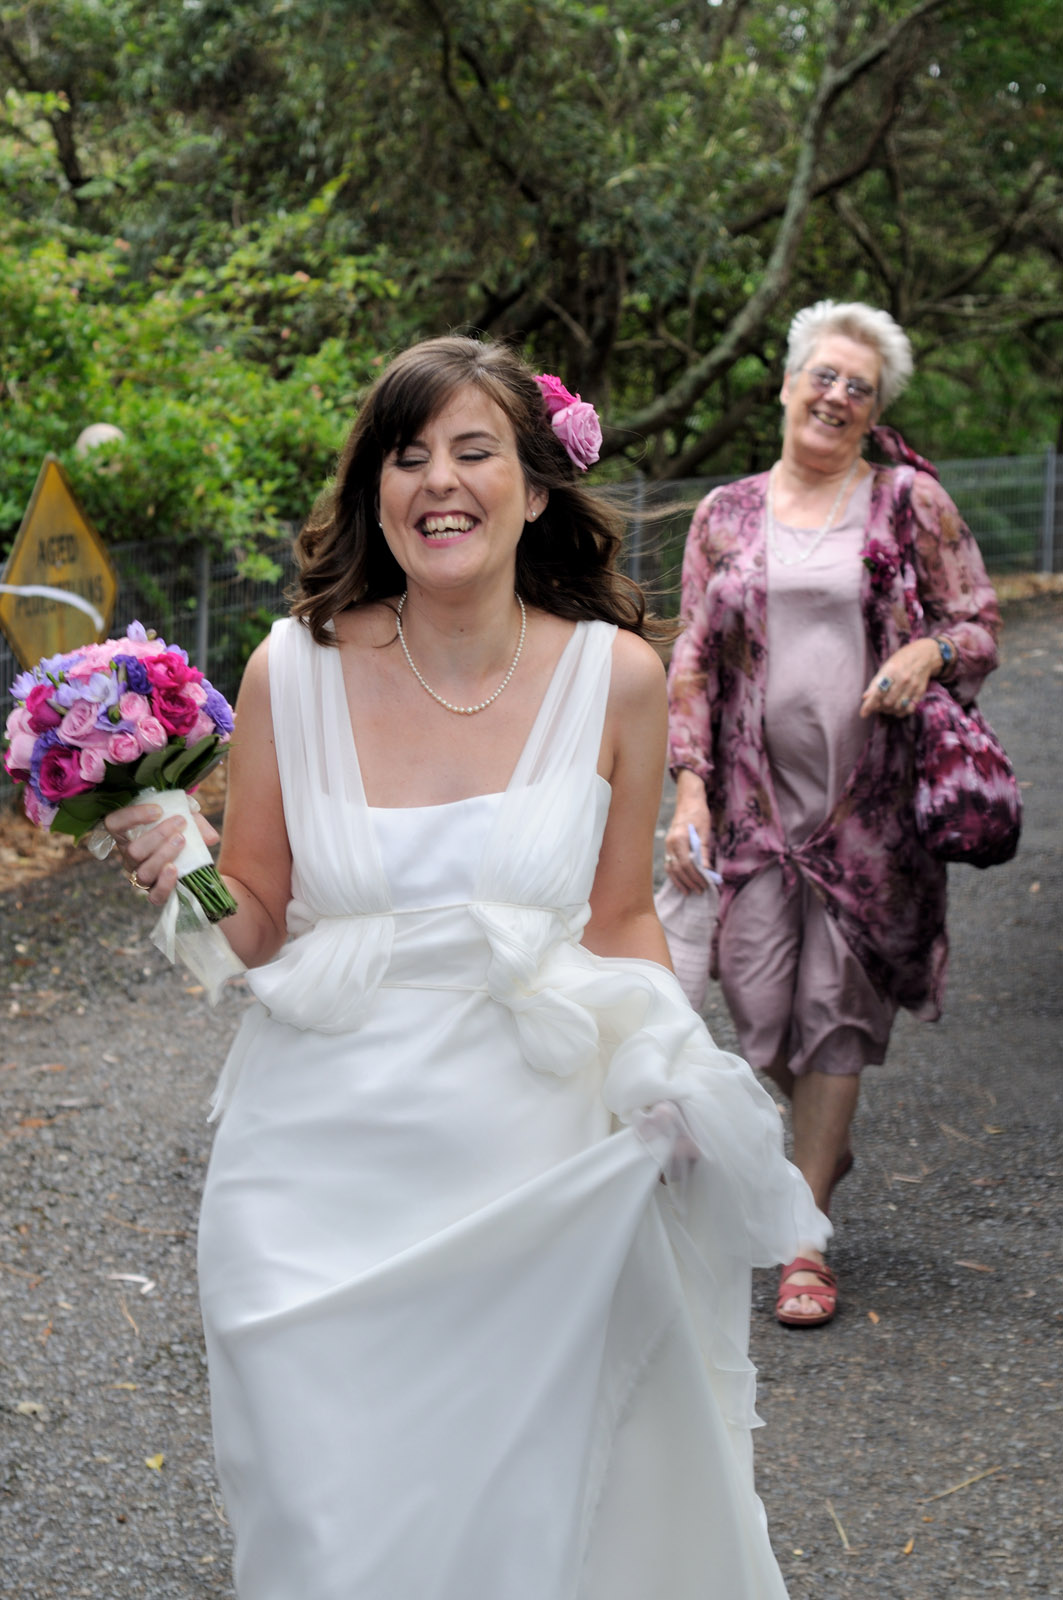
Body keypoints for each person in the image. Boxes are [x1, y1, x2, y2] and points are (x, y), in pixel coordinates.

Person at [104, 335, 826, 1600]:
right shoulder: (293, 667)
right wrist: (176, 855)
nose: (439, 479)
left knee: (520, 1521)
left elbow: (617, 920)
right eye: (406, 452)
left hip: (534, 1161)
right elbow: (254, 918)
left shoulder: (618, 678)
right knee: (329, 1527)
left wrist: (668, 1072)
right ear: (375, 492)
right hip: (312, 1174)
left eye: (473, 450)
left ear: (534, 486)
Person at [663, 301, 1000, 1329]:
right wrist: (687, 786)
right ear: (785, 382)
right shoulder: (724, 513)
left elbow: (977, 621)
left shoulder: (908, 503)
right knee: (758, 1002)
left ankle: (802, 1233)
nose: (837, 394)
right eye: (823, 373)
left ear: (874, 409)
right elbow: (689, 657)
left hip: (874, 808)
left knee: (836, 1015)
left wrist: (925, 651)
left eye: (859, 385)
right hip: (756, 803)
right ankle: (818, 1132)